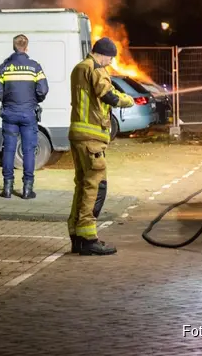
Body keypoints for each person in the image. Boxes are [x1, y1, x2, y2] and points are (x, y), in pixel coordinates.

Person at [67, 37, 134, 255]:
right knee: (94, 186)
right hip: (92, 137)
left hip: (78, 134)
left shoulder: (79, 68)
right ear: (103, 54)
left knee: (82, 185)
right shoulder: (95, 68)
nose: (110, 62)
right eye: (110, 58)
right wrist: (128, 100)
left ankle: (76, 236)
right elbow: (109, 96)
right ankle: (88, 239)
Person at [0, 34, 49, 199]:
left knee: (9, 150)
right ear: (26, 47)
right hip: (28, 114)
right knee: (29, 150)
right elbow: (43, 90)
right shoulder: (34, 67)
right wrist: (35, 100)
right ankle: (27, 190)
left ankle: (7, 188)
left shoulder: (4, 67)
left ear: (13, 46)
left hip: (9, 113)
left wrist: (6, 99)